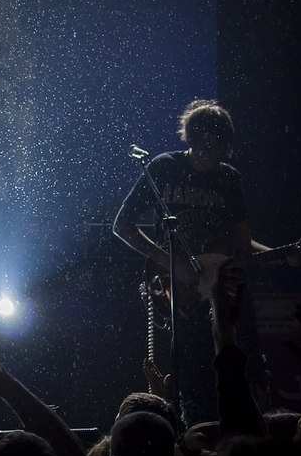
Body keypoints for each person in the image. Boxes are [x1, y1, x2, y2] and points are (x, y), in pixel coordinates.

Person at [112, 99, 269, 425]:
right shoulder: (163, 167)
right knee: (193, 376)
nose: (211, 152)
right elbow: (122, 225)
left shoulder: (228, 178)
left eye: (219, 146)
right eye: (205, 143)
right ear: (194, 138)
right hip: (179, 291)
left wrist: (282, 253)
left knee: (243, 365)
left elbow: (242, 244)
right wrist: (170, 261)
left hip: (223, 289)